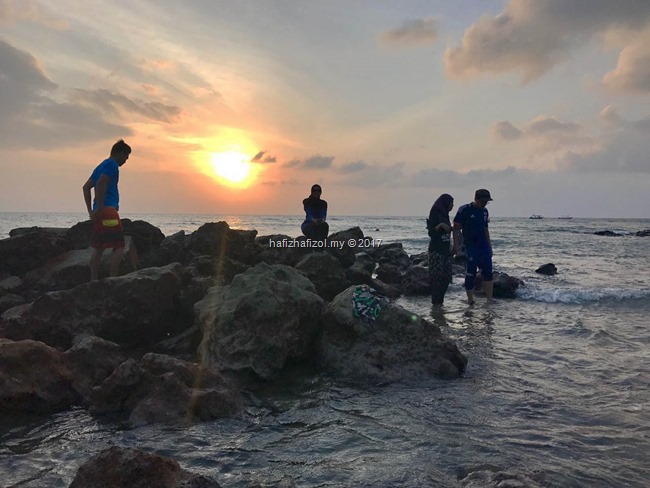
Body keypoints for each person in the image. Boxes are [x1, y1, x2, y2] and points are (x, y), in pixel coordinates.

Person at [82, 139, 132, 280]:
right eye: (126, 157)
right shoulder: (112, 165)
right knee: (119, 245)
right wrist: (102, 207)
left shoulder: (101, 165)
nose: (125, 161)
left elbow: (86, 187)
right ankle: (113, 278)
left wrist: (92, 211)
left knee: (99, 247)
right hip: (108, 210)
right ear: (120, 153)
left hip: (99, 211)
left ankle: (93, 280)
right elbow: (100, 183)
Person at [452, 189, 493, 305]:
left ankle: (489, 300)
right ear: (476, 199)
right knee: (471, 273)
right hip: (470, 246)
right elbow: (456, 228)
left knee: (488, 272)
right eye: (483, 201)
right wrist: (456, 246)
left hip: (483, 246)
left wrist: (490, 246)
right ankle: (470, 299)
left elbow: (485, 229)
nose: (484, 204)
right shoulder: (464, 209)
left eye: (487, 202)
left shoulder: (485, 211)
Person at [426, 193, 454, 305]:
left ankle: (440, 301)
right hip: (436, 251)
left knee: (447, 277)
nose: (452, 206)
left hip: (446, 250)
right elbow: (431, 232)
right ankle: (436, 303)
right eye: (451, 203)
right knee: (437, 278)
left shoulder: (445, 215)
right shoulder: (435, 214)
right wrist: (440, 225)